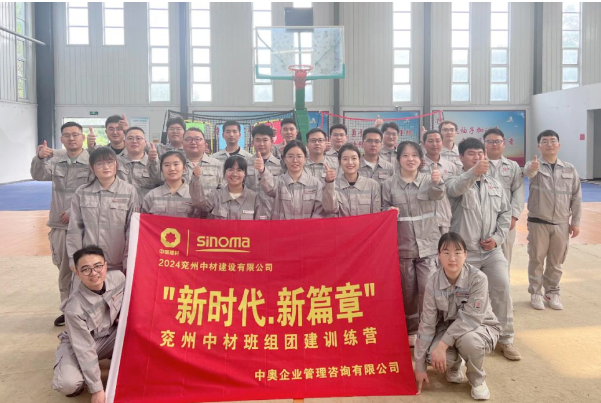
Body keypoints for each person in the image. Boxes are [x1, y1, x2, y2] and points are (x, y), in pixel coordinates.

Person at [445, 137, 520, 361]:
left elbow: (505, 213)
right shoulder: (454, 181)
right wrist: (473, 173)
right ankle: (460, 341)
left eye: (480, 153)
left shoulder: (494, 184)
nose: (477, 157)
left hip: (491, 251)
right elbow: (455, 189)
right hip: (464, 254)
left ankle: (505, 339)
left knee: (502, 288)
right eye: (471, 154)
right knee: (462, 298)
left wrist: (497, 238)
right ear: (461, 158)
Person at [414, 233, 501, 401]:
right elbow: (427, 323)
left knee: (469, 341)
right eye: (446, 252)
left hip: (478, 327)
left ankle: (477, 380)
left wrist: (442, 345)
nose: (452, 258)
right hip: (446, 329)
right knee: (432, 355)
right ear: (439, 255)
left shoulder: (478, 279)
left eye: (457, 252)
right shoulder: (432, 283)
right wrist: (420, 366)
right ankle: (454, 366)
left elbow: (471, 319)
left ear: (465, 255)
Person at [382, 141, 445, 346]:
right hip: (402, 247)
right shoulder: (388, 184)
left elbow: (438, 195)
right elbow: (382, 209)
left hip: (428, 245)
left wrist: (437, 182)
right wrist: (388, 212)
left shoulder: (429, 180)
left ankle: (428, 329)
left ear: (421, 159)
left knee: (427, 288)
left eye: (415, 155)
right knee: (407, 291)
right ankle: (411, 330)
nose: (410, 159)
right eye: (406, 155)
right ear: (398, 159)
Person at [30, 122, 94, 326]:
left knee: (88, 268)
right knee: (65, 270)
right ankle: (68, 311)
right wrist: (40, 158)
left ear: (82, 138)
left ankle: (87, 311)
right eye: (67, 135)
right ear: (62, 139)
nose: (71, 138)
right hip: (60, 225)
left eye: (75, 134)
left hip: (85, 225)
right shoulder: (56, 161)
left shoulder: (92, 161)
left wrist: (74, 211)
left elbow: (95, 190)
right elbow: (39, 175)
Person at [52, 245, 125, 402]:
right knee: (68, 384)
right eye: (85, 269)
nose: (93, 273)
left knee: (138, 330)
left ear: (105, 266)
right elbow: (84, 348)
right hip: (81, 343)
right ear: (77, 273)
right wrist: (97, 389)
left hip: (111, 336)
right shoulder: (74, 308)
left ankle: (116, 356)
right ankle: (75, 369)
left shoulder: (119, 278)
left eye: (98, 266)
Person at [524, 130, 581, 310]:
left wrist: (576, 222)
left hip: (561, 224)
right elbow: (528, 173)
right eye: (545, 141)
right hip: (538, 222)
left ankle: (552, 292)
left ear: (559, 145)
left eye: (553, 141)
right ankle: (535, 293)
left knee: (556, 261)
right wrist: (532, 168)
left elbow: (576, 197)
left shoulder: (569, 169)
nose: (549, 144)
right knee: (536, 259)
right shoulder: (534, 165)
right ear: (539, 146)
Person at [67, 148, 139, 275]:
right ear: (92, 167)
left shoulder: (129, 191)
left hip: (118, 262)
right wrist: (74, 258)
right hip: (89, 264)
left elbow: (131, 230)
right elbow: (75, 228)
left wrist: (129, 260)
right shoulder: (82, 192)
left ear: (116, 164)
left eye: (109, 162)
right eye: (99, 163)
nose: (106, 167)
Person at [482, 128, 525, 278]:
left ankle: (503, 289)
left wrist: (514, 216)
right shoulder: (478, 165)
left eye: (498, 141)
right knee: (481, 259)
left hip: (506, 221)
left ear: (504, 144)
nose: (494, 144)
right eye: (490, 141)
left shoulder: (513, 166)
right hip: (482, 220)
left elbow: (518, 191)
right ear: (484, 144)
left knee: (504, 260)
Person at [259, 140, 336, 219]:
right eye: (290, 156)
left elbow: (319, 210)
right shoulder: (278, 182)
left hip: (308, 226)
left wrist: (309, 225)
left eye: (299, 156)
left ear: (305, 159)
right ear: (284, 159)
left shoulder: (315, 183)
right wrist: (262, 170)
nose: (295, 160)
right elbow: (269, 187)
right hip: (282, 226)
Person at [191, 155, 264, 220]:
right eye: (230, 169)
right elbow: (199, 204)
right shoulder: (215, 196)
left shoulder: (254, 198)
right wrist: (195, 178)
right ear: (224, 173)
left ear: (244, 174)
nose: (234, 174)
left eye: (239, 170)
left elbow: (259, 225)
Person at [420, 129, 462, 235]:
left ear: (442, 143)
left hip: (445, 218)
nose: (434, 144)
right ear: (423, 144)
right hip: (423, 218)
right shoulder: (417, 165)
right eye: (430, 141)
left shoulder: (451, 166)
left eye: (438, 141)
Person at [329, 143, 381, 216]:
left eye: (354, 158)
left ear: (359, 160)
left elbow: (377, 215)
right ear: (340, 162)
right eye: (345, 159)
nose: (350, 162)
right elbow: (329, 210)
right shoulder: (333, 186)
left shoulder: (372, 185)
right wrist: (329, 184)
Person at [142, 151, 198, 218]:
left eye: (176, 164)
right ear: (161, 169)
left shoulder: (194, 195)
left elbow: (200, 221)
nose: (172, 169)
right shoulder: (151, 196)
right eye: (166, 165)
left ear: (184, 168)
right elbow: (142, 221)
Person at [245, 124, 283, 217]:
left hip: (274, 213)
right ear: (253, 142)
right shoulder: (245, 164)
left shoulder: (280, 165)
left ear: (272, 142)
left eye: (265, 140)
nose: (261, 144)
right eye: (258, 140)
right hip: (250, 213)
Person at [117, 127, 162, 201]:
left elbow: (159, 181)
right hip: (122, 205)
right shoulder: (116, 162)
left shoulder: (155, 162)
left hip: (147, 205)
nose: (134, 141)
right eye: (130, 138)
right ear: (124, 142)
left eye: (138, 138)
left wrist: (153, 162)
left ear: (145, 142)